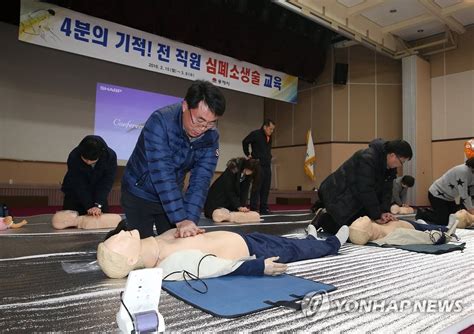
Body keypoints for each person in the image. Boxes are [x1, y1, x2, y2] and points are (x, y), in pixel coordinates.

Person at [121, 80, 226, 239]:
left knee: (176, 245)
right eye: (199, 120)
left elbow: (201, 180)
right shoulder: (160, 122)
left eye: (211, 123)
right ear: (185, 106)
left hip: (172, 195)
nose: (203, 128)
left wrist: (189, 220)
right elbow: (162, 172)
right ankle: (121, 232)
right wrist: (180, 219)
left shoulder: (211, 137)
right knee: (143, 246)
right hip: (140, 192)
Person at [96, 224, 349, 279]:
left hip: (244, 238)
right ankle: (332, 244)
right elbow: (217, 268)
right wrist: (259, 266)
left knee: (287, 242)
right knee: (294, 249)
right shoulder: (168, 265)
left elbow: (181, 233)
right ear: (130, 258)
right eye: (117, 241)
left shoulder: (153, 241)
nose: (119, 234)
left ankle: (311, 239)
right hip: (252, 250)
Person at [313, 139, 413, 234]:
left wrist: (384, 211)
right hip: (338, 193)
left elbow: (387, 191)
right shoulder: (367, 158)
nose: (400, 165)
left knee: (362, 227)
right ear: (392, 155)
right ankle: (323, 217)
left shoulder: (390, 167)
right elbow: (365, 189)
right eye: (402, 162)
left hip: (356, 196)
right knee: (345, 230)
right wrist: (377, 215)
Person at [61, 135, 117, 216]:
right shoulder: (74, 156)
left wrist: (98, 205)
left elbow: (107, 182)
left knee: (101, 220)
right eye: (85, 159)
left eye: (92, 160)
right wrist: (89, 206)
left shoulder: (110, 156)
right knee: (69, 220)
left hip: (98, 192)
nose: (88, 162)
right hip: (75, 192)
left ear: (100, 155)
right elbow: (78, 183)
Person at [422, 158, 474, 226]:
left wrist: (471, 207)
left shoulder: (472, 172)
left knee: (455, 220)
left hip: (449, 198)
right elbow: (463, 193)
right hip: (436, 195)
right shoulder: (463, 171)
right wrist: (471, 210)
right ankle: (423, 213)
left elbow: (472, 191)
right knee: (443, 221)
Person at [348, 215, 456, 246]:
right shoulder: (389, 237)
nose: (360, 218)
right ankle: (445, 227)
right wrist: (440, 236)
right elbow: (417, 237)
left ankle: (422, 223)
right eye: (361, 220)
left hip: (398, 220)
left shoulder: (374, 227)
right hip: (411, 226)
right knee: (429, 228)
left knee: (423, 225)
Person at [242, 119, 275, 215]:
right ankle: (253, 208)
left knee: (266, 187)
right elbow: (245, 142)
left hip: (267, 164)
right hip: (258, 164)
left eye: (273, 129)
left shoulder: (269, 137)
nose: (272, 131)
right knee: (257, 186)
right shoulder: (256, 134)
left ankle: (263, 208)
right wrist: (248, 154)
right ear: (265, 126)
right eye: (270, 129)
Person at [51, 210, 122, 230]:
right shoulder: (86, 223)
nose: (68, 211)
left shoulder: (84, 220)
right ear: (65, 222)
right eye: (65, 213)